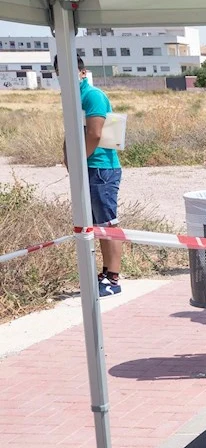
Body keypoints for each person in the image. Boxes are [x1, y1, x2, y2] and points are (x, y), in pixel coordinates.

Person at [55, 54, 124, 297]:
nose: (64, 77)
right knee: (96, 224)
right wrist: (68, 159)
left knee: (107, 224)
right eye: (59, 72)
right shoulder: (71, 98)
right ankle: (105, 273)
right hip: (87, 166)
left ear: (83, 72)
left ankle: (113, 278)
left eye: (70, 71)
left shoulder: (91, 95)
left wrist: (77, 160)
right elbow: (71, 131)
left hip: (101, 167)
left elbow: (94, 134)